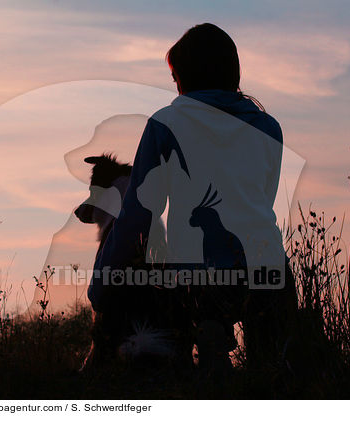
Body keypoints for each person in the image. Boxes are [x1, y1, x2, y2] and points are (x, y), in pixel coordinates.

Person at [87, 23, 298, 371]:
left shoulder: (165, 124)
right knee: (273, 375)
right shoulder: (268, 127)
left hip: (198, 279)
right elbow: (262, 199)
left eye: (175, 77)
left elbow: (138, 218)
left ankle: (210, 335)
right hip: (270, 271)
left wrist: (101, 284)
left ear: (184, 76)